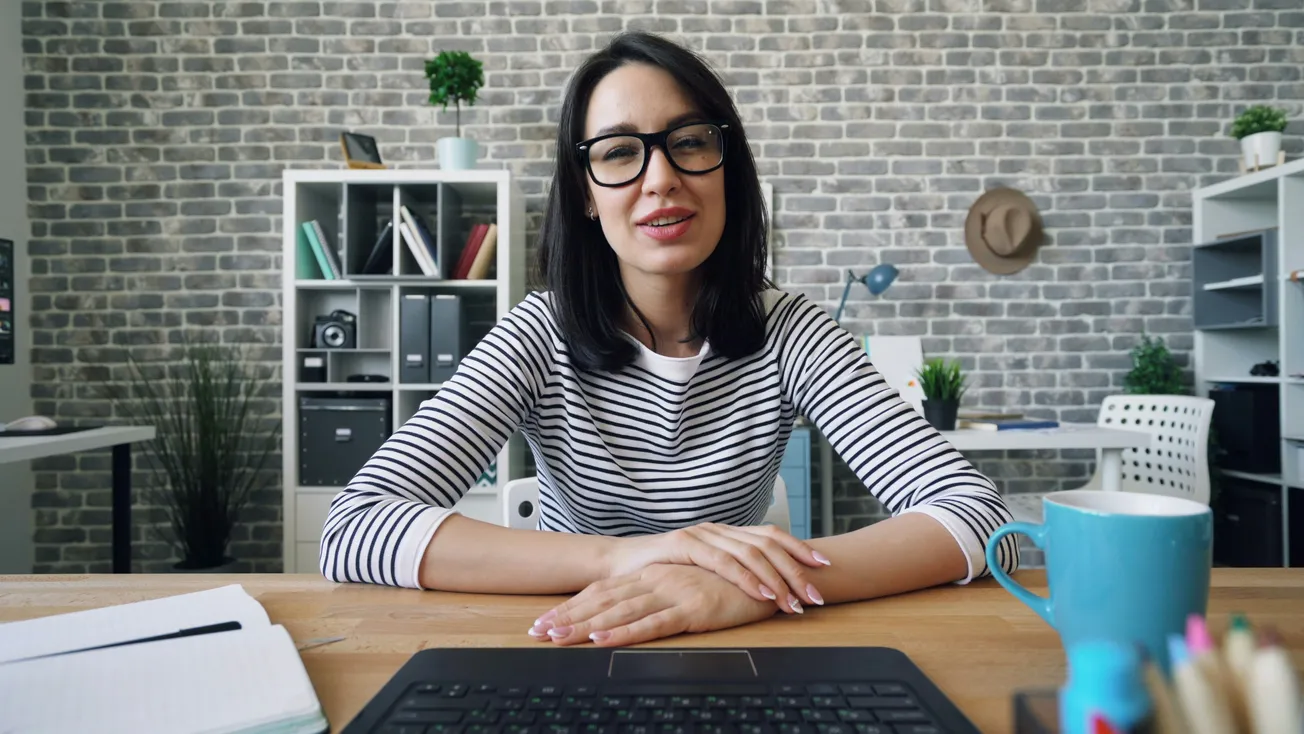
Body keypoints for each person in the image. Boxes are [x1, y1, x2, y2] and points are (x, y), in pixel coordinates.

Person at [320, 31, 1018, 647]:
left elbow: (979, 517)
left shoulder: (793, 331)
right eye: (621, 152)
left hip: (744, 644)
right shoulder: (539, 332)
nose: (661, 180)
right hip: (574, 637)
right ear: (586, 191)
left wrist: (749, 587)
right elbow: (355, 528)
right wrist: (624, 558)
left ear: (727, 166)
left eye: (688, 143)